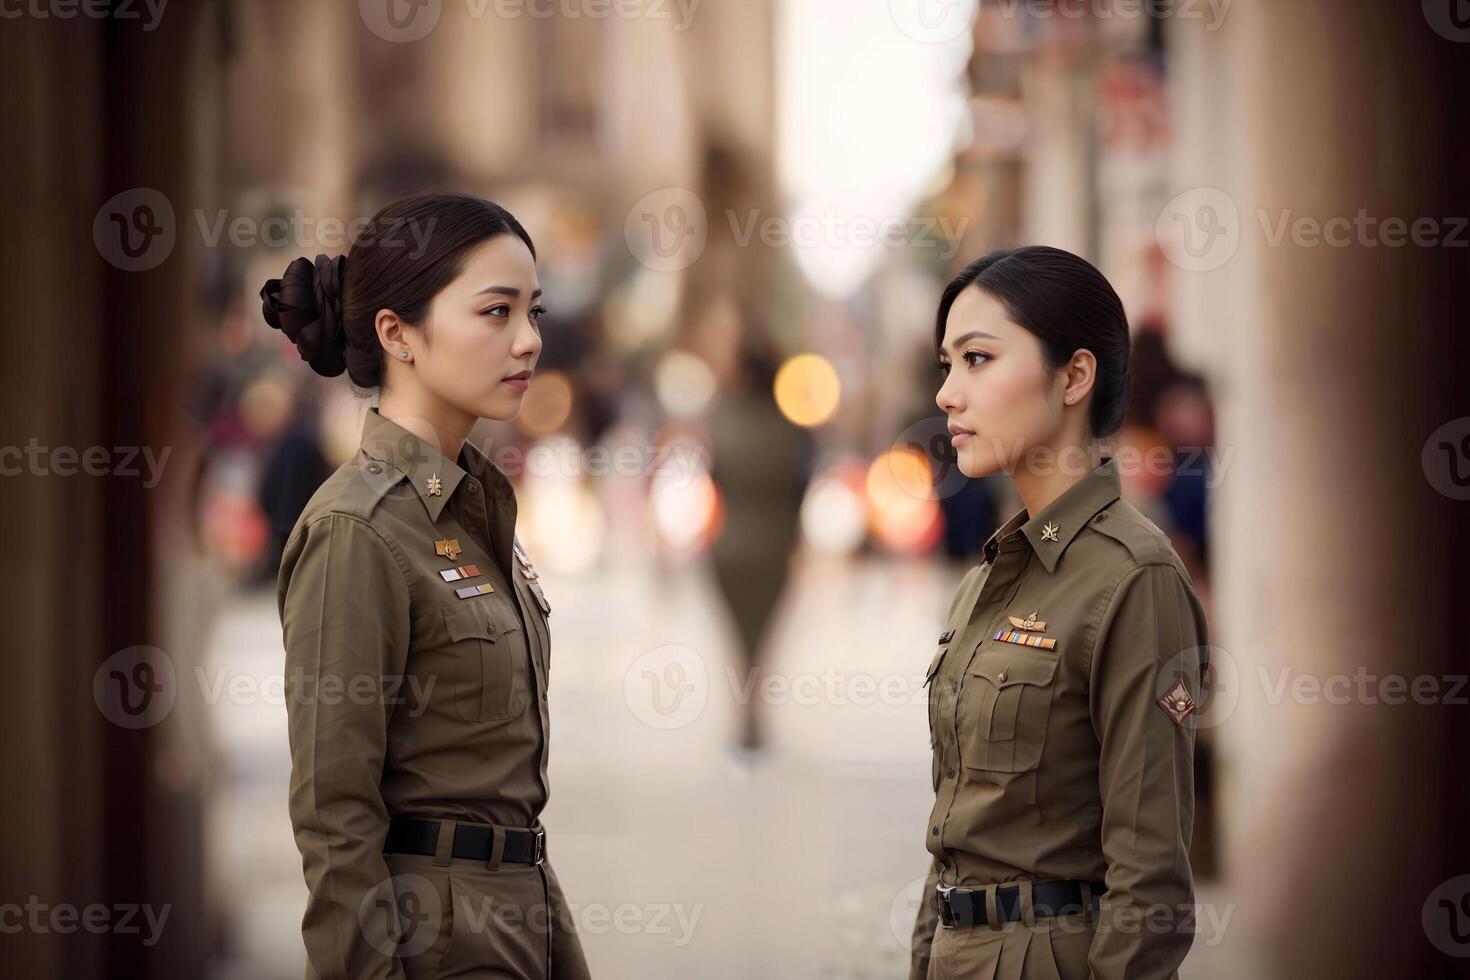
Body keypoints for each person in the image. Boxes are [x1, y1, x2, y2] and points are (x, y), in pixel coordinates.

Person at [265, 191, 590, 980]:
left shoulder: (475, 511)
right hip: (431, 945)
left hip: (521, 926)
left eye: (534, 312)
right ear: (397, 332)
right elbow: (335, 820)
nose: (528, 342)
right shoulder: (357, 530)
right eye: (495, 312)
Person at [910, 246, 1210, 979]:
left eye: (977, 360)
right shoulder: (989, 578)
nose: (949, 394)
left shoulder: (1134, 579)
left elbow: (1151, 880)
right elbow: (959, 826)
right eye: (946, 365)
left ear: (1074, 375)